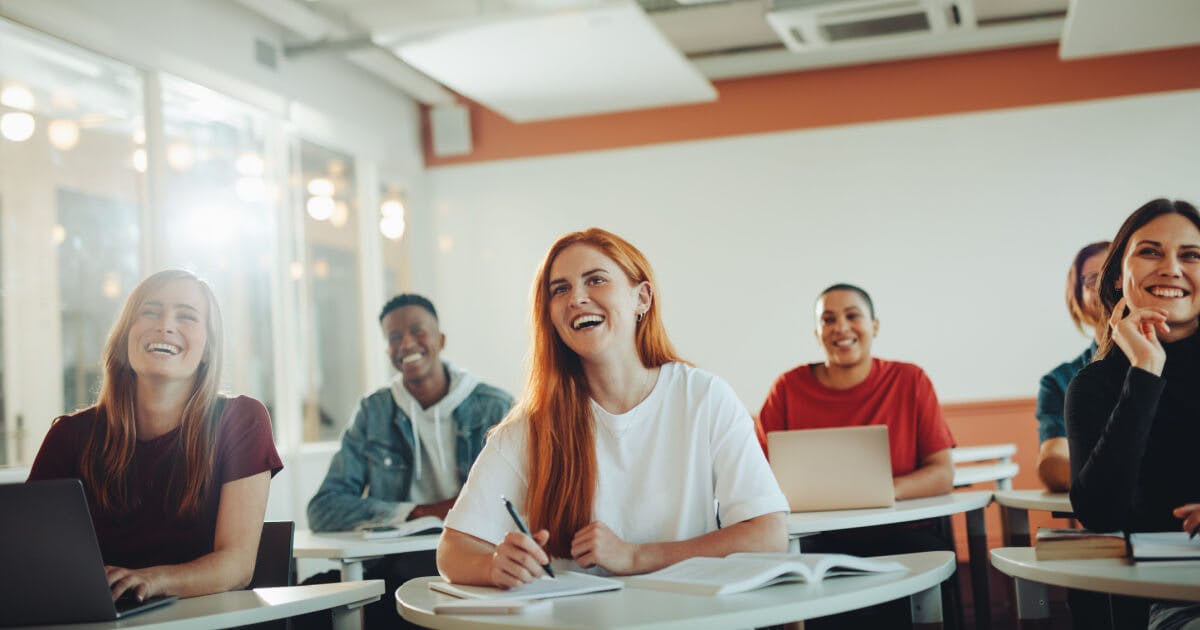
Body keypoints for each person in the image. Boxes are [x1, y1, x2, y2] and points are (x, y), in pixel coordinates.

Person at [437, 228, 788, 587]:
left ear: (642, 298)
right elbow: (452, 551)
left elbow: (768, 535)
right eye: (560, 289)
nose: (576, 298)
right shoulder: (531, 428)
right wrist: (493, 565)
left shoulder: (703, 397)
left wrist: (637, 556)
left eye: (596, 280)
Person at [27, 269, 282, 602]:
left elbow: (236, 566)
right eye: (150, 311)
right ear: (125, 337)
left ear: (207, 348)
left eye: (187, 316)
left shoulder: (242, 420)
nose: (165, 325)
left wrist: (151, 581)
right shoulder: (68, 436)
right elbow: (30, 558)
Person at [302, 293, 513, 628]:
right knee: (307, 602)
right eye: (394, 338)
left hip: (475, 569)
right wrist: (418, 512)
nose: (406, 344)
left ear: (440, 340)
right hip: (393, 568)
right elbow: (323, 508)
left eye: (418, 331)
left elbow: (521, 502)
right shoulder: (374, 411)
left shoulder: (496, 407)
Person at [756, 283, 955, 628]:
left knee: (922, 561)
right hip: (815, 540)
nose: (841, 328)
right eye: (828, 319)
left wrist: (881, 491)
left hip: (901, 533)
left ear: (874, 326)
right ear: (817, 333)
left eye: (852, 316)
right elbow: (757, 476)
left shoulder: (910, 380)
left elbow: (942, 473)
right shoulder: (787, 388)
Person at [1067, 198, 1200, 630]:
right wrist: (1146, 370)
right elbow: (1101, 513)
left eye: (1191, 255)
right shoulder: (1093, 385)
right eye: (1150, 251)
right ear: (1118, 276)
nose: (1171, 268)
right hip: (1175, 592)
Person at [1035, 241, 1110, 492]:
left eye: (1117, 274)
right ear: (1077, 296)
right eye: (1093, 280)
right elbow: (1053, 460)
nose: (1108, 286)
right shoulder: (1059, 381)